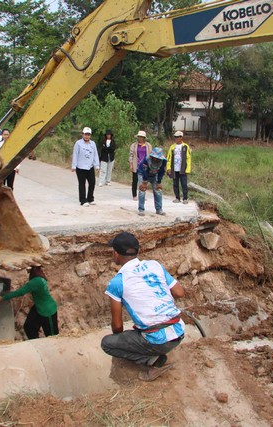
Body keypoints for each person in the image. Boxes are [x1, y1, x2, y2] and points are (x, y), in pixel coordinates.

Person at [101, 232, 185, 381]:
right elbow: (179, 292)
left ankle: (153, 362)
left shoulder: (117, 282)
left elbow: (117, 325)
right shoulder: (154, 265)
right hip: (179, 331)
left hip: (158, 341)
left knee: (107, 344)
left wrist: (121, 340)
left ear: (116, 254)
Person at [0, 265, 59, 339]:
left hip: (48, 311)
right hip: (39, 307)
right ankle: (36, 342)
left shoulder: (35, 282)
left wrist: (3, 298)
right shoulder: (40, 278)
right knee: (29, 327)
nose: (28, 273)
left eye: (29, 271)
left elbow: (20, 292)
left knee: (52, 336)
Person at [71, 127, 100, 206]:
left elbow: (95, 155)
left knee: (92, 182)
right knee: (82, 184)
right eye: (85, 134)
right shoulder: (78, 143)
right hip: (80, 167)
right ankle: (83, 200)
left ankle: (90, 198)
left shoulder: (93, 144)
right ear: (82, 134)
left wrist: (97, 165)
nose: (87, 136)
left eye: (88, 135)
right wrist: (74, 165)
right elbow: (75, 155)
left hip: (89, 167)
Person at [138, 147, 167, 216]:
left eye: (158, 158)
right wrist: (144, 182)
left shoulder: (163, 161)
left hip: (154, 175)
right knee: (142, 190)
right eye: (154, 157)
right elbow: (144, 171)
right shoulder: (146, 160)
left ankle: (159, 209)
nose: (156, 159)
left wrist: (159, 182)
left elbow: (162, 171)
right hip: (142, 174)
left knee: (158, 191)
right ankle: (141, 209)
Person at [166, 131, 192, 204]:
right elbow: (169, 158)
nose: (176, 138)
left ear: (181, 137)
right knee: (175, 183)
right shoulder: (172, 147)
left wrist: (188, 169)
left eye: (178, 137)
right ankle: (177, 197)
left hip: (183, 168)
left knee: (184, 183)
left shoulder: (185, 146)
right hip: (174, 168)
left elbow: (188, 158)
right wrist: (168, 168)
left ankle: (185, 198)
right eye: (175, 137)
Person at [129, 131, 152, 201]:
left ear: (144, 138)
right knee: (135, 180)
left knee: (143, 181)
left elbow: (150, 155)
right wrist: (131, 165)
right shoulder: (134, 145)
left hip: (145, 165)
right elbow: (131, 155)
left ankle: (142, 195)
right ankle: (134, 195)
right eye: (139, 137)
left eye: (141, 137)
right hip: (137, 164)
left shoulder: (148, 146)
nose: (140, 138)